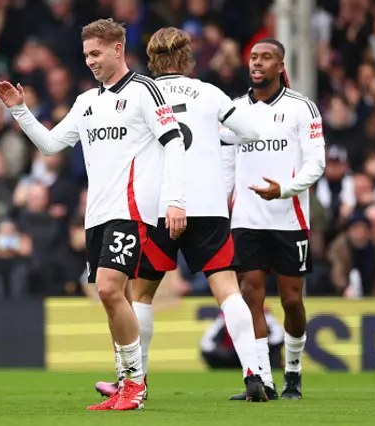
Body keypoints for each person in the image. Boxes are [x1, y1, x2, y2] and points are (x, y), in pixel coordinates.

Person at [0, 18, 187, 411]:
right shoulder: (86, 102)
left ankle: (135, 385)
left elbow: (175, 143)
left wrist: (176, 199)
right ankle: (125, 382)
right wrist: (21, 111)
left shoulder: (144, 91)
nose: (90, 62)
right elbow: (50, 146)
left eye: (96, 53)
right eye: (86, 55)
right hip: (97, 214)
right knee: (114, 298)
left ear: (118, 49)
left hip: (132, 209)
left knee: (107, 288)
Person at [94, 27, 269, 403]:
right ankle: (254, 374)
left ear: (153, 60)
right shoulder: (209, 93)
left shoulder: (140, 93)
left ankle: (133, 381)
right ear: (188, 58)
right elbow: (252, 131)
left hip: (158, 205)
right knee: (227, 289)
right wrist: (218, 134)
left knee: (140, 293)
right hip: (207, 204)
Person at [222, 38, 326, 400]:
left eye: (266, 58)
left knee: (292, 301)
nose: (257, 63)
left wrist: (285, 189)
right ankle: (262, 381)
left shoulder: (302, 108)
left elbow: (317, 162)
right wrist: (221, 206)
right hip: (247, 218)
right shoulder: (233, 110)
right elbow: (226, 164)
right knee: (251, 293)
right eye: (253, 57)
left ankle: (293, 375)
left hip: (288, 215)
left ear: (280, 66)